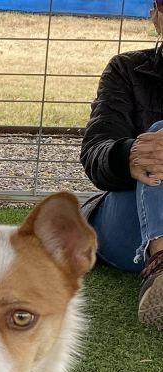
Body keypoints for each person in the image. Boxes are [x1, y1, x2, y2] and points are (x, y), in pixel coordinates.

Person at [80, 0, 163, 330]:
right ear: (155, 13)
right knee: (158, 136)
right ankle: (160, 264)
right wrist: (128, 155)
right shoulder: (126, 70)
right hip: (127, 223)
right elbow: (95, 153)